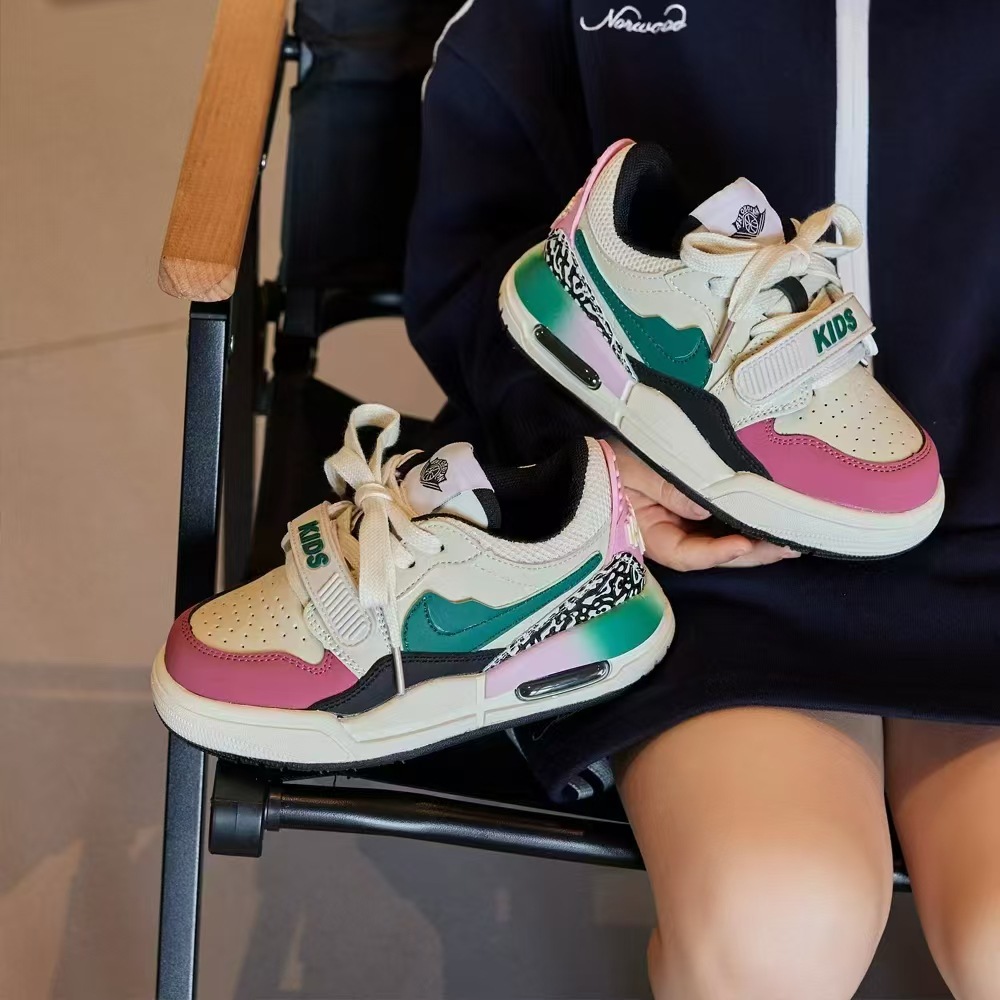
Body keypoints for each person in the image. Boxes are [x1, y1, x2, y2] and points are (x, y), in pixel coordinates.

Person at [403, 2, 1000, 997]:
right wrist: (586, 447)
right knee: (773, 922)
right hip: (702, 547)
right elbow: (482, 256)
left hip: (987, 544)